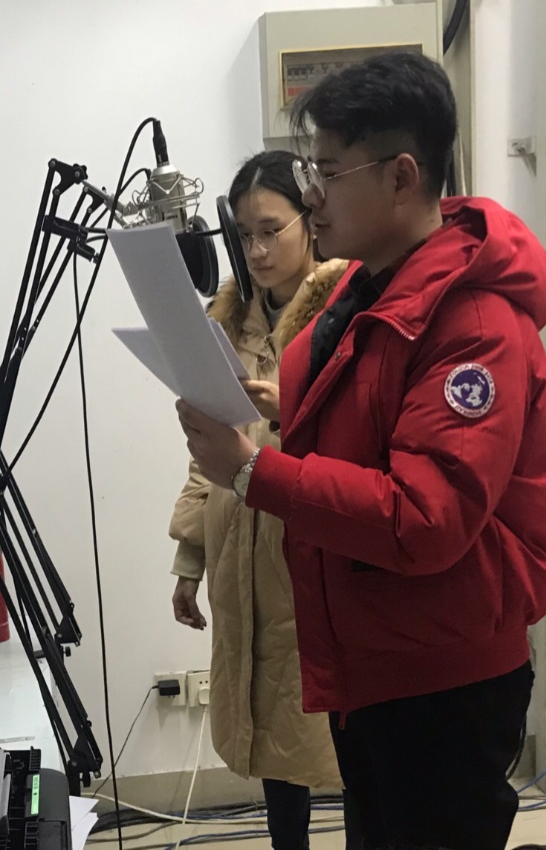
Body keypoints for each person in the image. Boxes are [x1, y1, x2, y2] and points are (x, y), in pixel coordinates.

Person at [176, 51, 546, 850]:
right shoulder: (370, 294)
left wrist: (251, 469)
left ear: (400, 176)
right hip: (376, 659)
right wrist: (288, 412)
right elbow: (384, 431)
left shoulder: (472, 326)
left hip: (443, 678)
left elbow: (424, 516)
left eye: (327, 172)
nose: (312, 197)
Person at [168, 150, 349, 850]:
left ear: (310, 220)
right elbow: (205, 450)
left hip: (308, 559)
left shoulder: (345, 314)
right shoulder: (228, 324)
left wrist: (291, 408)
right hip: (239, 559)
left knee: (340, 739)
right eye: (244, 235)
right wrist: (190, 560)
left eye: (272, 230)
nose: (257, 250)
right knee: (271, 739)